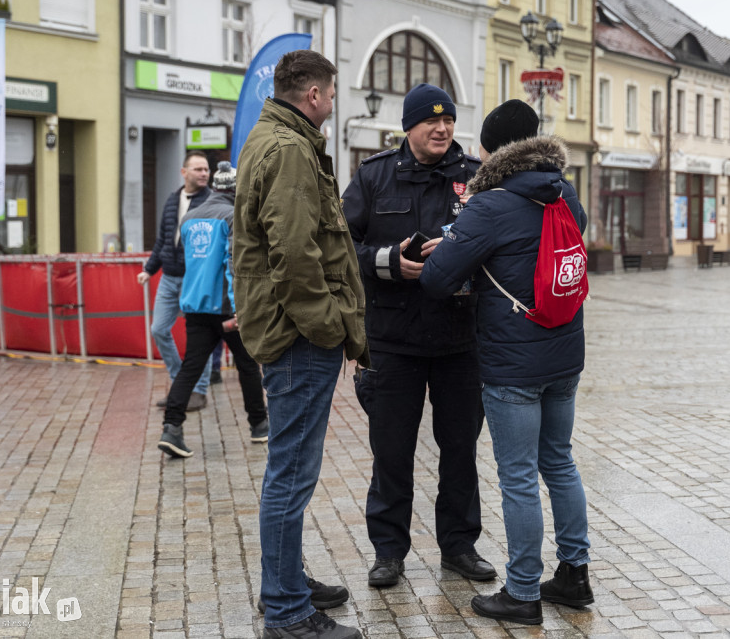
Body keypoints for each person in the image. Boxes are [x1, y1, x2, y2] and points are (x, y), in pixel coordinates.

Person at [420, 99, 593, 626]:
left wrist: (452, 248)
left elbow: (437, 279)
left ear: (494, 149)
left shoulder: (489, 204)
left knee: (517, 476)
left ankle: (521, 592)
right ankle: (573, 574)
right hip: (564, 354)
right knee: (559, 462)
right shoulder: (565, 196)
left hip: (512, 363)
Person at [233, 50, 369, 639]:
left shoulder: (270, 139)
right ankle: (286, 609)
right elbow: (294, 255)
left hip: (286, 329)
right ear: (313, 94)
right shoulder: (290, 150)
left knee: (290, 470)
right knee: (291, 474)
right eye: (331, 94)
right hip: (297, 336)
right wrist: (331, 325)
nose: (332, 104)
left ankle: (284, 580)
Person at [341, 83, 494, 589]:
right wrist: (389, 263)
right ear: (408, 126)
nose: (442, 129)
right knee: (391, 452)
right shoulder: (374, 175)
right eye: (431, 122)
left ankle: (459, 546)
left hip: (460, 343)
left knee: (460, 452)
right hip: (393, 340)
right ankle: (389, 552)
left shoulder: (476, 178)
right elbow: (342, 248)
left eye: (448, 121)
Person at [157, 161, 269, 458]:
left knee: (190, 366)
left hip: (195, 305)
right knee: (246, 365)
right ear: (235, 189)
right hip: (225, 307)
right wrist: (239, 308)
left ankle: (171, 427)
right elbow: (234, 263)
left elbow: (189, 262)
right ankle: (259, 425)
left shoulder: (190, 217)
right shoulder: (233, 216)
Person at [137, 151, 215, 411]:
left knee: (199, 339)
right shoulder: (172, 201)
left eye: (206, 169)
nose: (204, 173)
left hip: (197, 280)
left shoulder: (212, 202)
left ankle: (199, 391)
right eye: (198, 169)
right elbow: (163, 240)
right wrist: (149, 269)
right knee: (158, 329)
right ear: (184, 172)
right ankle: (181, 382)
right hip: (169, 278)